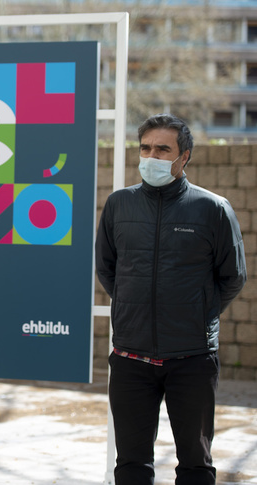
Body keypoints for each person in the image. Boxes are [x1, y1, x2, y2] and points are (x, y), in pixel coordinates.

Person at [95, 114, 247, 485]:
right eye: (145, 148)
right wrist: (138, 308)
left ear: (185, 157)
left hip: (191, 358)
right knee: (130, 464)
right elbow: (107, 268)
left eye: (163, 149)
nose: (152, 156)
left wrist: (195, 314)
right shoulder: (119, 205)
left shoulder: (213, 209)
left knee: (195, 464)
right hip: (131, 357)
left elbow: (232, 277)